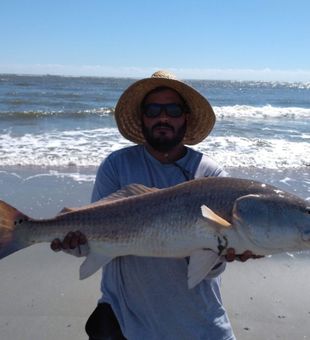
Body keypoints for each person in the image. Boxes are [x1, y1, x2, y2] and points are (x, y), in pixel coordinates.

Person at [51, 70, 258, 340]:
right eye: (153, 110)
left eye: (172, 109)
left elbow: (211, 270)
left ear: (186, 117)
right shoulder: (117, 166)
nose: (163, 117)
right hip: (126, 324)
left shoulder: (210, 174)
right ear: (142, 118)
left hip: (200, 326)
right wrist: (77, 244)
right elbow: (96, 236)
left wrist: (223, 255)